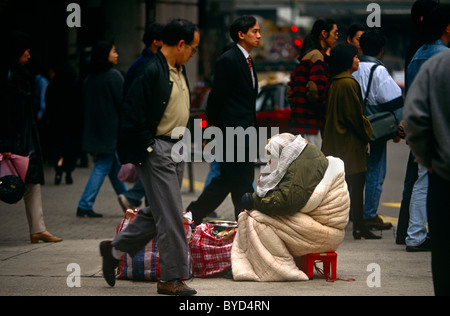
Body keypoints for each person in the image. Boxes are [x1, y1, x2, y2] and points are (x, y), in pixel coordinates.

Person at [100, 19, 200, 296]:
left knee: (158, 212)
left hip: (176, 147)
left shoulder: (178, 69)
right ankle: (171, 278)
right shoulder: (150, 71)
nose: (194, 53)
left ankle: (115, 249)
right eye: (192, 47)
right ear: (180, 44)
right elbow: (131, 115)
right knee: (170, 217)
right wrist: (149, 149)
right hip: (158, 150)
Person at [185, 15, 261, 225]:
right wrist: (216, 133)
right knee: (228, 181)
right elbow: (217, 99)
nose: (259, 35)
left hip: (246, 133)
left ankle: (245, 224)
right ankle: (191, 215)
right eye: (255, 31)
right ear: (241, 34)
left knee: (242, 182)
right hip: (231, 133)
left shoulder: (248, 60)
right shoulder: (228, 59)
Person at [0, 31, 62, 243]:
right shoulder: (9, 76)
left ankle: (38, 228)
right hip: (13, 139)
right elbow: (5, 112)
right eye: (25, 49)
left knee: (30, 181)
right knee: (10, 181)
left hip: (23, 138)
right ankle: (38, 228)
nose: (29, 53)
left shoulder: (20, 74)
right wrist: (5, 142)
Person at [403, 49, 450, 296]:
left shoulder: (437, 65)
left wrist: (429, 159)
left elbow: (414, 118)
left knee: (444, 254)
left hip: (444, 177)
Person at [403, 6, 450, 252]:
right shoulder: (445, 56)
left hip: (426, 134)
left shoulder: (417, 55)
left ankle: (415, 235)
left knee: (422, 182)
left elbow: (411, 101)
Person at [322, 44, 378, 239]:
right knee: (356, 185)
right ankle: (359, 227)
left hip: (337, 142)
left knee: (341, 186)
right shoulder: (348, 82)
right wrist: (367, 132)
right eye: (355, 57)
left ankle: (357, 226)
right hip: (350, 144)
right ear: (347, 60)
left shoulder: (337, 81)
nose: (358, 60)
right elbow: (355, 116)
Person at [396, 0, 440, 245]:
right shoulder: (439, 53)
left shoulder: (415, 53)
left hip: (419, 124)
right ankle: (415, 234)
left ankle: (409, 232)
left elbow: (410, 94)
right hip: (434, 127)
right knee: (423, 180)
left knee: (416, 180)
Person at [352, 29, 403, 231]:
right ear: (381, 51)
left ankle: (351, 212)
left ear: (361, 47)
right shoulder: (378, 70)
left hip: (351, 124)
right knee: (375, 170)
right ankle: (369, 214)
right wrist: (399, 128)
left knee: (352, 171)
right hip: (374, 127)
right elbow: (394, 100)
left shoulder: (352, 66)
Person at [76, 40, 128, 218]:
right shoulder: (114, 76)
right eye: (113, 51)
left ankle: (129, 203)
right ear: (105, 55)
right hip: (111, 131)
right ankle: (84, 204)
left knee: (114, 169)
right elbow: (123, 103)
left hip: (95, 130)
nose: (116, 54)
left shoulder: (89, 78)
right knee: (103, 166)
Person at [117, 22, 164, 211]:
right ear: (156, 42)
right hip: (146, 131)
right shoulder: (148, 66)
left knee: (152, 175)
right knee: (153, 172)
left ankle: (143, 206)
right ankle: (134, 197)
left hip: (145, 130)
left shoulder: (144, 64)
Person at [286, 19, 338, 148]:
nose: (337, 37)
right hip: (312, 125)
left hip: (299, 123)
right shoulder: (317, 57)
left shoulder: (304, 57)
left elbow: (290, 92)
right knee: (314, 165)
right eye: (335, 33)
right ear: (324, 34)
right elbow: (317, 91)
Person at [44, 62, 82, 185]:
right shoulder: (76, 86)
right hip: (73, 126)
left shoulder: (52, 86)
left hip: (57, 125)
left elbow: (48, 105)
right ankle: (69, 173)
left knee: (57, 149)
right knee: (71, 151)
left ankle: (58, 170)